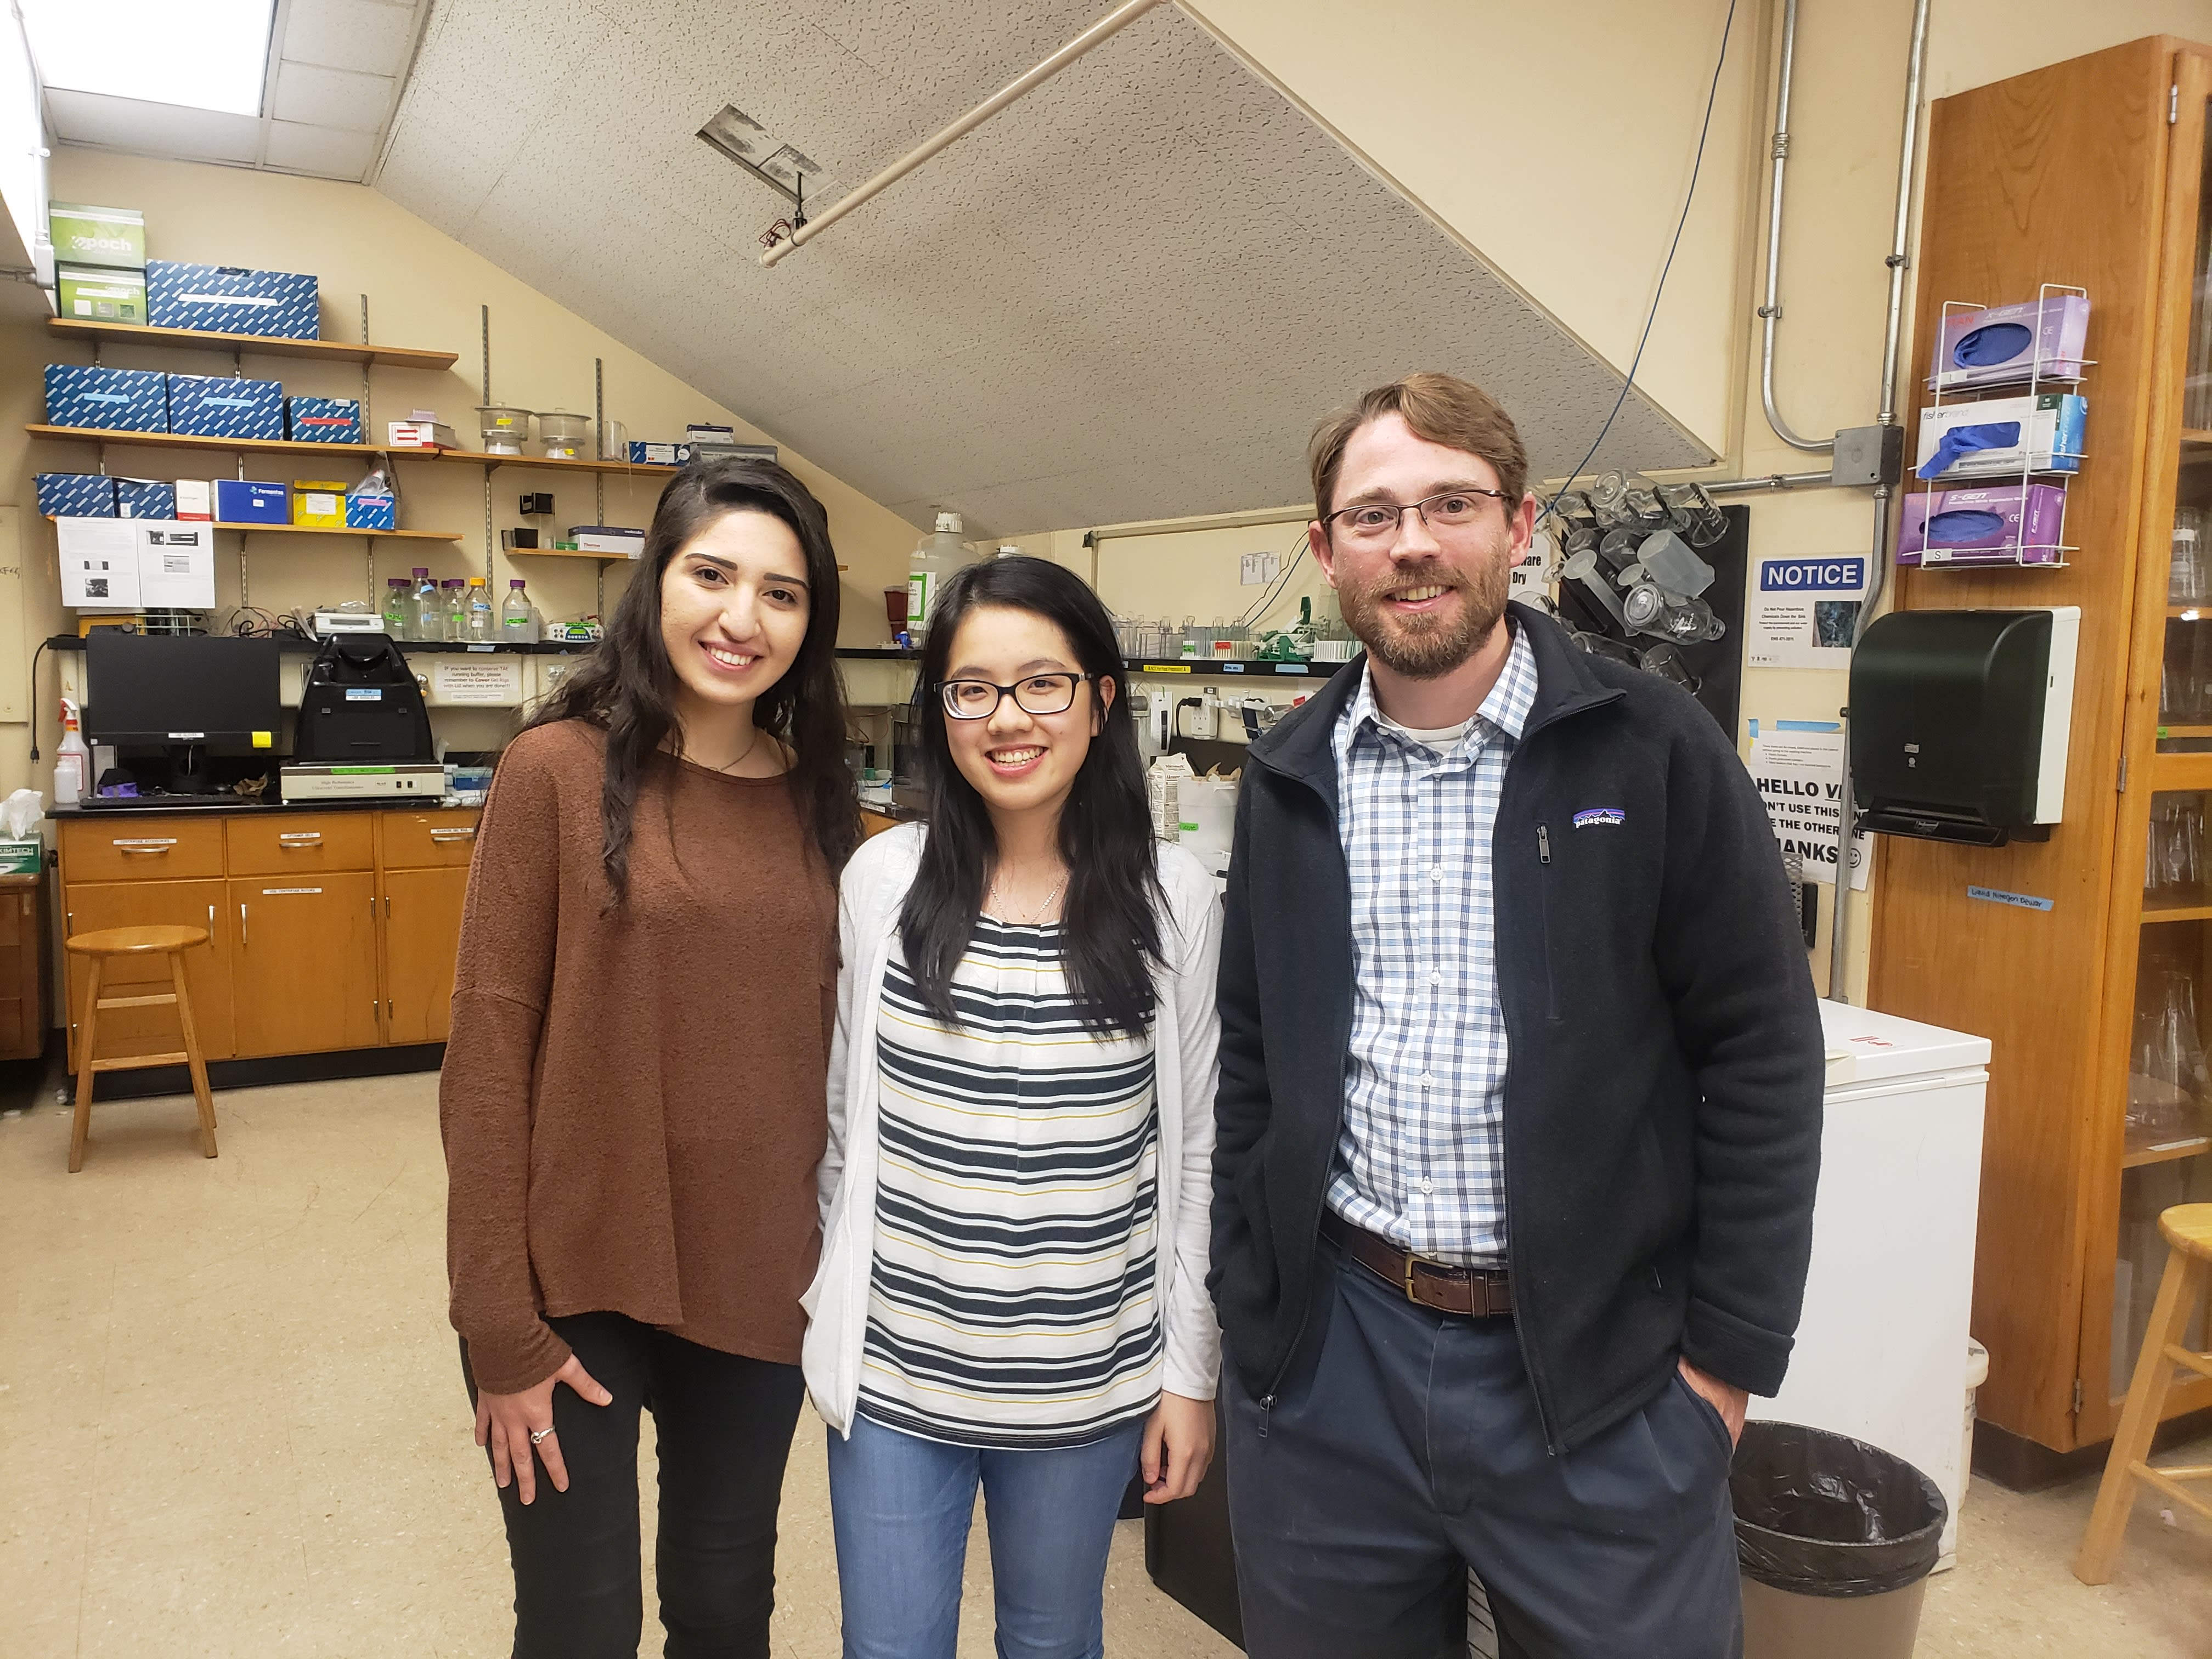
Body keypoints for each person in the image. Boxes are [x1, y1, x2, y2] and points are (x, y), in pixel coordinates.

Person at [1209, 373, 1824, 1658]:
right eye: (1373, 515)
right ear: (1327, 550)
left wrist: (1722, 1369)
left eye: (1452, 504)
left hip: (1601, 1378)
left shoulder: (1652, 748)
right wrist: (1254, 1306)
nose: (1415, 541)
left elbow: (1762, 1057)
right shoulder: (1286, 776)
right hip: (1336, 1364)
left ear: (1521, 526)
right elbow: (1255, 1060)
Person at [441, 456, 859, 1658]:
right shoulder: (556, 772)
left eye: (782, 594)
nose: (742, 619)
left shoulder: (830, 807)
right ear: (656, 584)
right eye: (713, 575)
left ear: (811, 622)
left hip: (758, 1271)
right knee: (580, 1627)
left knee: (726, 1614)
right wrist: (496, 1324)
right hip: (573, 1275)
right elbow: (484, 1060)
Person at [804, 555, 1222, 1659]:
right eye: (972, 688)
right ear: (941, 710)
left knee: (1052, 1640)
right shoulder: (883, 881)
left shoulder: (1173, 900)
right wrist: (826, 1307)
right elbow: (850, 1129)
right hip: (898, 1374)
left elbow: (1195, 1162)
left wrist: (1189, 1373)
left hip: (1085, 1383)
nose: (1007, 718)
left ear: (1102, 700)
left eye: (1043, 683)